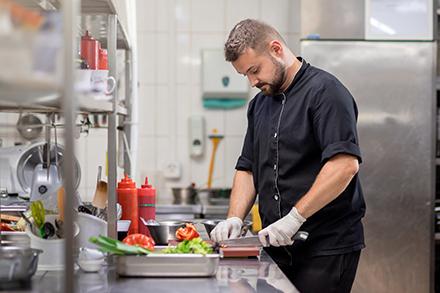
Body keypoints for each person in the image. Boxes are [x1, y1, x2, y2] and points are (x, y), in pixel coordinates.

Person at [210, 19, 366, 293]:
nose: (253, 81)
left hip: (325, 248)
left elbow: (344, 166)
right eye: (245, 75)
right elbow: (247, 168)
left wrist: (295, 218)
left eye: (255, 70)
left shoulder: (326, 92)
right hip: (277, 247)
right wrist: (234, 218)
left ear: (276, 49)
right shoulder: (259, 104)